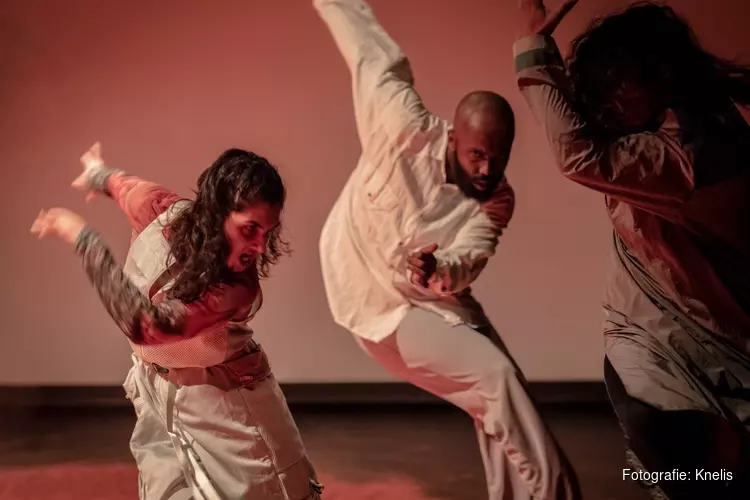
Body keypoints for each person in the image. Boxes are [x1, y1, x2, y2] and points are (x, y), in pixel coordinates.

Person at [313, 1, 581, 498]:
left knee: (504, 393)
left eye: (497, 159)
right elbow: (372, 52)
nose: (486, 170)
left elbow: (470, 258)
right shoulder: (401, 127)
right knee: (496, 379)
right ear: (454, 138)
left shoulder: (498, 200)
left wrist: (438, 269)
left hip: (438, 297)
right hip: (374, 299)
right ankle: (559, 494)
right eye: (477, 154)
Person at [515, 1, 750, 498]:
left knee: (711, 477)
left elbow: (579, 156)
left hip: (715, 340)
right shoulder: (665, 129)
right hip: (653, 337)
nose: (604, 99)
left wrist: (534, 52)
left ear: (658, 75)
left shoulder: (690, 151)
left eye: (615, 82)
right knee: (676, 464)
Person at [30, 143, 323, 500]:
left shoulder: (236, 288)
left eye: (267, 231)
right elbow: (125, 187)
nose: (260, 245)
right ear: (217, 212)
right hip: (160, 391)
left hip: (226, 405)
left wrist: (80, 236)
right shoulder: (159, 210)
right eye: (250, 229)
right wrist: (98, 174)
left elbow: (146, 326)